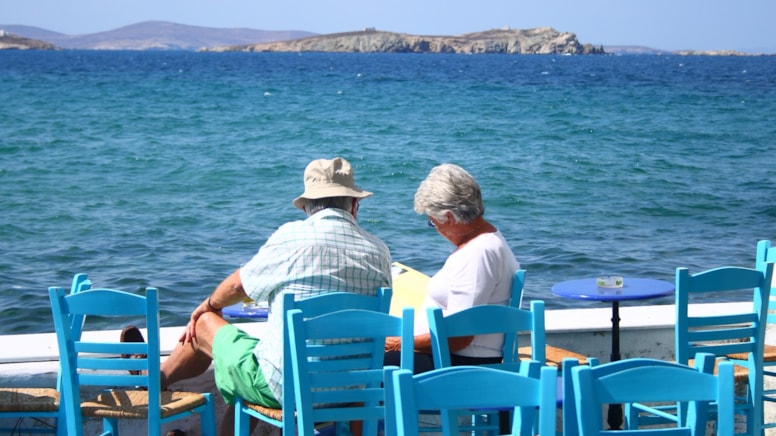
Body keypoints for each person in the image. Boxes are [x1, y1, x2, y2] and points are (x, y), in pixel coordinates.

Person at [125, 157, 392, 436]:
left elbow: (239, 286)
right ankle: (153, 379)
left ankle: (151, 380)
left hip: (286, 389)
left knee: (206, 324)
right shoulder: (379, 250)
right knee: (249, 371)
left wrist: (209, 305)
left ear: (307, 206)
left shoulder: (292, 237)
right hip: (353, 389)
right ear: (354, 205)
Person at [384, 163, 519, 373]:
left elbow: (459, 337)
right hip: (449, 356)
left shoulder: (477, 254)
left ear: (448, 217)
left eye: (432, 222)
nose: (435, 229)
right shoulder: (486, 241)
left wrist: (401, 343)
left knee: (363, 363)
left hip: (457, 363)